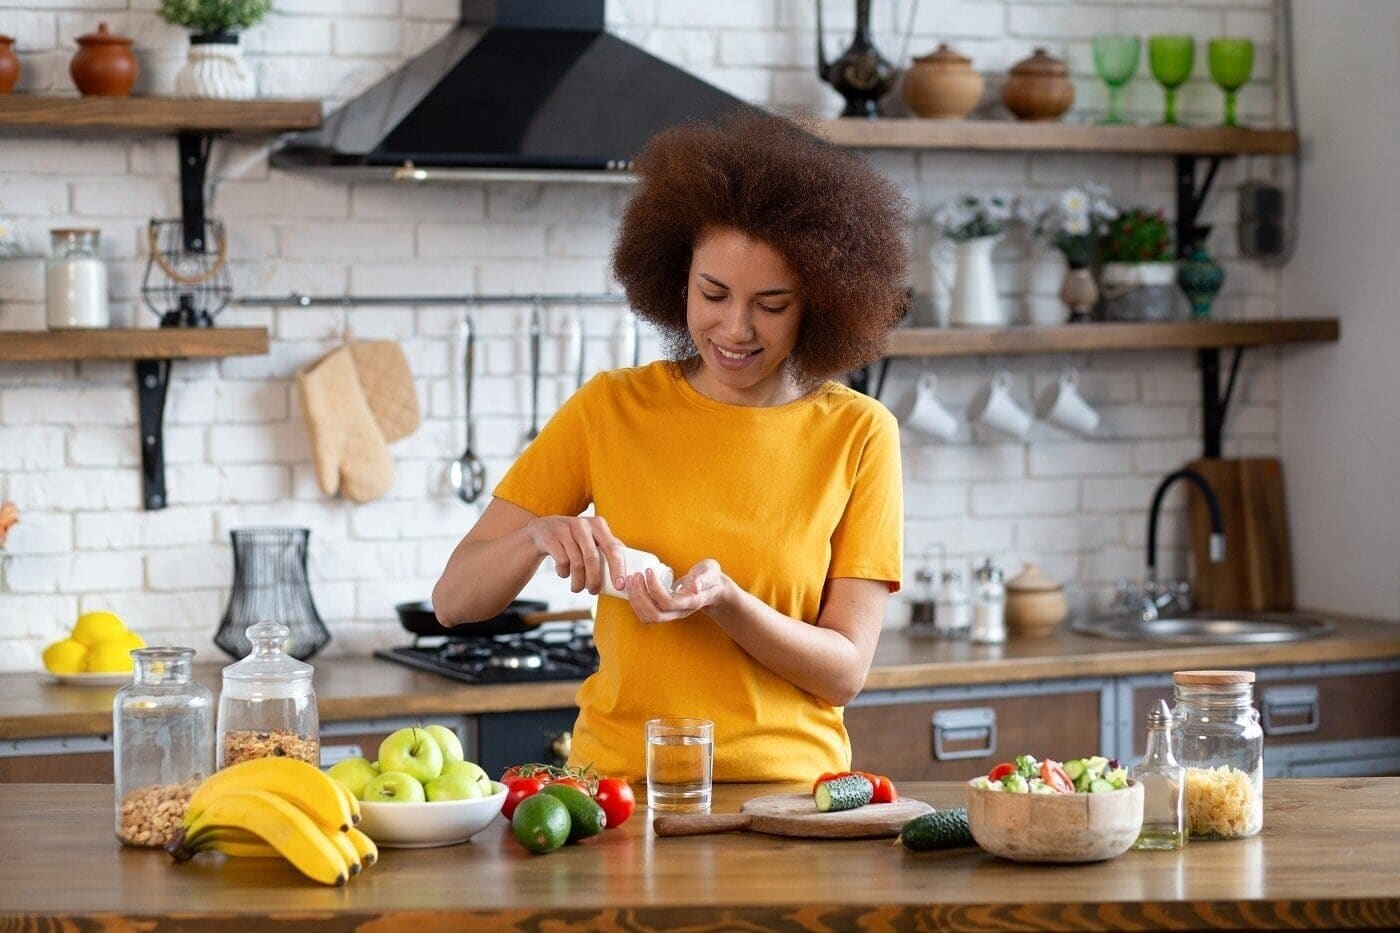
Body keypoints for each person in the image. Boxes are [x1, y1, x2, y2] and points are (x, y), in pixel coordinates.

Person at [432, 111, 910, 784]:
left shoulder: (859, 434)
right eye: (713, 293)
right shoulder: (610, 408)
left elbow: (843, 671)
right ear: (678, 277)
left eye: (771, 304)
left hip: (790, 800)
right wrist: (537, 536)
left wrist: (728, 602)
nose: (735, 328)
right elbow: (454, 600)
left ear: (819, 304)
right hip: (620, 792)